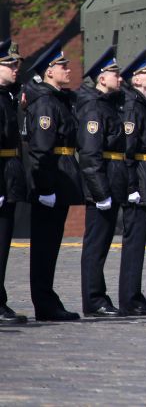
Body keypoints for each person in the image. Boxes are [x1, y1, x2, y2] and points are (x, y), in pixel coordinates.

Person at [23, 40, 82, 321]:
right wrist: (44, 188)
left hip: (60, 177)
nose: (67, 69)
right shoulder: (46, 103)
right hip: (51, 179)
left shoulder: (57, 99)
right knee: (45, 247)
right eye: (62, 66)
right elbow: (41, 149)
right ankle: (44, 303)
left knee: (51, 245)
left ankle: (47, 299)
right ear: (48, 72)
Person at [75, 47, 126, 317]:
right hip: (102, 185)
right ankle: (94, 300)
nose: (119, 77)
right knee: (95, 246)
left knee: (102, 245)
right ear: (101, 78)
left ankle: (98, 298)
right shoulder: (94, 108)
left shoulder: (108, 105)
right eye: (114, 73)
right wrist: (100, 192)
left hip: (111, 181)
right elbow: (91, 153)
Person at [118, 50, 146, 316]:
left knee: (139, 242)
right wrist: (132, 187)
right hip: (139, 179)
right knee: (133, 243)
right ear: (136, 79)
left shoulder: (145, 103)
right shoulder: (133, 107)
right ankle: (129, 299)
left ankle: (135, 297)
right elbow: (128, 151)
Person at [0, 40, 28, 324]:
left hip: (9, 176)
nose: (15, 68)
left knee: (4, 245)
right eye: (9, 64)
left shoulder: (7, 96)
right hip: (1, 177)